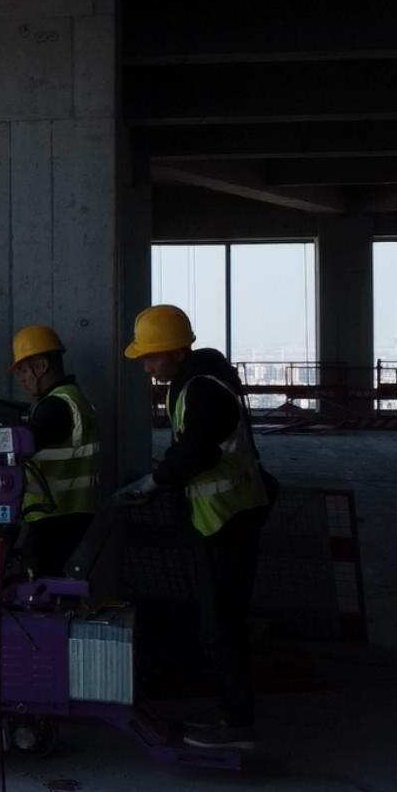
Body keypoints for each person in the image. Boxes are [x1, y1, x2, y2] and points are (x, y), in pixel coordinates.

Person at [117, 304, 269, 749]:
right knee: (219, 621)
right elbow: (191, 447)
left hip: (227, 520)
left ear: (177, 353)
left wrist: (155, 481)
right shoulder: (194, 384)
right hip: (224, 519)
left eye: (152, 357)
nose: (147, 367)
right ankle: (230, 714)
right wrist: (164, 476)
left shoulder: (201, 389)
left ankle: (236, 725)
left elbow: (198, 451)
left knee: (221, 625)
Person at [8, 324, 101, 577]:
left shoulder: (56, 406)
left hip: (56, 520)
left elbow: (23, 443)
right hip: (71, 516)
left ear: (42, 366)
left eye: (24, 370)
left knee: (40, 587)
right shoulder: (73, 399)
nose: (22, 379)